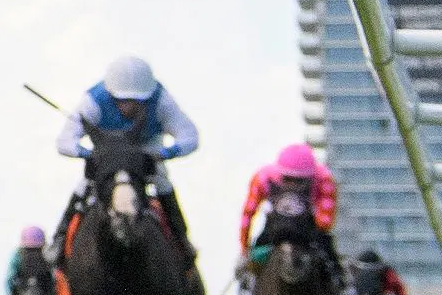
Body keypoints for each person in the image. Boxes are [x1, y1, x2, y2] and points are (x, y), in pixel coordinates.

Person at [52, 54, 200, 261]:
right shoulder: (93, 101)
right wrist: (89, 154)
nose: (131, 107)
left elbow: (190, 137)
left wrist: (165, 153)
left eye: (139, 101)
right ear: (111, 95)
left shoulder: (161, 100)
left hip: (144, 147)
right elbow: (64, 142)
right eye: (123, 101)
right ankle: (59, 240)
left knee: (161, 180)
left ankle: (182, 239)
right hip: (107, 152)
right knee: (84, 183)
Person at [236, 138, 337, 268]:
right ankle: (247, 284)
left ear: (310, 178)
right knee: (251, 263)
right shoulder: (263, 178)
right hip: (274, 229)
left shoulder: (324, 179)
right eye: (288, 180)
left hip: (309, 229)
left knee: (330, 261)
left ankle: (341, 281)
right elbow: (248, 214)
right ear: (280, 175)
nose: (293, 186)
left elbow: (325, 222)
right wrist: (245, 249)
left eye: (300, 181)